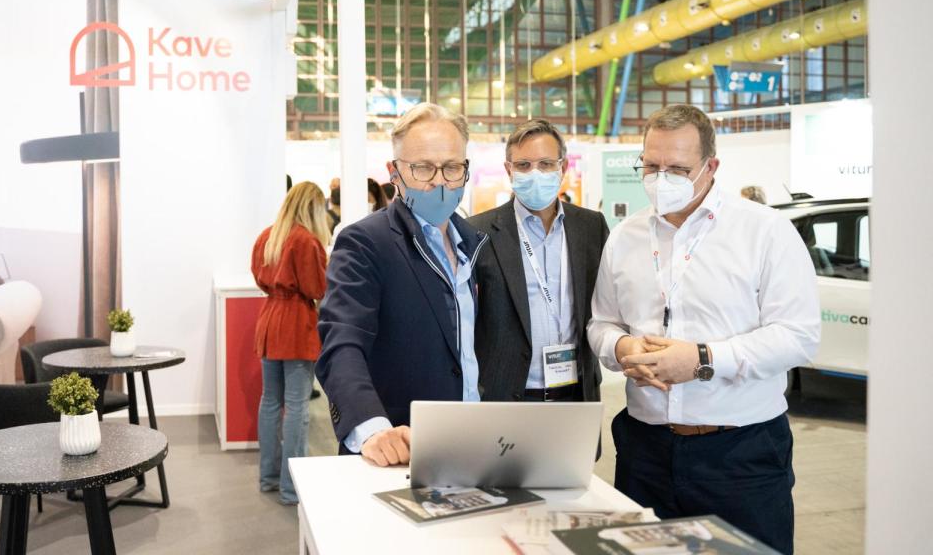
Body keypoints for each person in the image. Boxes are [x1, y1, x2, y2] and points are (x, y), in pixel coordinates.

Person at [588, 105, 819, 554]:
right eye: (651, 166)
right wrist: (622, 346)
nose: (661, 178)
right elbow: (601, 322)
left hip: (740, 452)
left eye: (677, 169)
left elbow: (798, 334)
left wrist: (703, 360)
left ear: (711, 167)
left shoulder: (764, 231)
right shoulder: (625, 236)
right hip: (645, 448)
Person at [316, 102, 487, 467]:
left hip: (471, 445)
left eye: (452, 167)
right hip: (397, 454)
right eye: (423, 168)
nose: (440, 181)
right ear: (394, 172)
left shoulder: (473, 242)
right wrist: (372, 429)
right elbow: (342, 343)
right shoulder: (365, 242)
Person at [470, 119, 609, 403]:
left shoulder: (591, 227)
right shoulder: (478, 232)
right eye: (523, 165)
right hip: (508, 396)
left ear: (563, 167)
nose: (535, 173)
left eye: (546, 164)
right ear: (509, 170)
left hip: (577, 392)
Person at [250, 182, 331, 505]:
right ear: (312, 207)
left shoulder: (267, 236)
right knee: (297, 407)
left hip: (269, 320)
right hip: (296, 323)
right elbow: (317, 288)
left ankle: (269, 478)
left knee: (270, 402)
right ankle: (291, 487)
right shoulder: (307, 241)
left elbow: (258, 277)